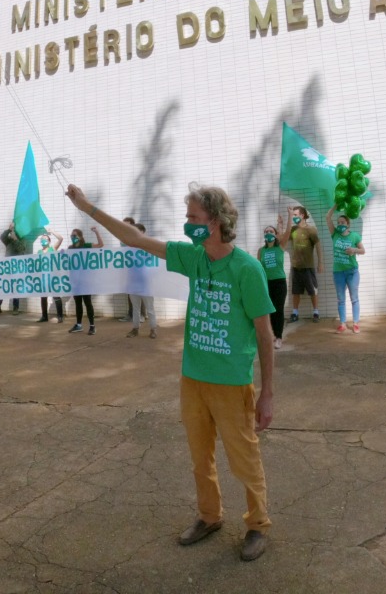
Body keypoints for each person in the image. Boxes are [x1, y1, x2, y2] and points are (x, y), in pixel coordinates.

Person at [65, 182, 274, 562]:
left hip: (231, 383)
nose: (187, 223)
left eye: (193, 217)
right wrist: (88, 207)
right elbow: (135, 238)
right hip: (193, 378)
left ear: (214, 222)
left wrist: (269, 392)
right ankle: (209, 517)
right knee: (200, 458)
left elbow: (264, 333)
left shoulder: (248, 269)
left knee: (244, 459)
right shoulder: (192, 256)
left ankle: (258, 525)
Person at [325, 206, 364, 334]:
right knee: (340, 299)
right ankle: (342, 324)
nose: (340, 224)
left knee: (354, 298)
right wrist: (336, 206)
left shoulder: (354, 236)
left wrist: (354, 250)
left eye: (343, 222)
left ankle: (356, 323)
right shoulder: (335, 234)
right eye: (339, 222)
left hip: (352, 272)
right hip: (338, 272)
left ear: (348, 224)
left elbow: (363, 250)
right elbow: (327, 217)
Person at [283, 205, 322, 323]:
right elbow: (283, 237)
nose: (294, 217)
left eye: (295, 215)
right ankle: (295, 313)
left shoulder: (311, 230)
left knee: (312, 291)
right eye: (292, 215)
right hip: (296, 267)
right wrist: (281, 224)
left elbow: (318, 246)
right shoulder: (293, 230)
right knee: (296, 292)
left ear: (302, 215)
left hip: (308, 267)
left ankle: (316, 312)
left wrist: (320, 262)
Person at [257, 224, 288, 348]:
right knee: (269, 310)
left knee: (278, 310)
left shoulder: (280, 247)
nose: (268, 233)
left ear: (275, 235)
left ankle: (279, 337)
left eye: (271, 231)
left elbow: (287, 232)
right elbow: (259, 268)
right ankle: (272, 336)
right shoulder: (261, 251)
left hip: (279, 282)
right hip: (267, 283)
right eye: (266, 231)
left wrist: (290, 216)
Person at [67, 227, 101, 334]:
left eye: (75, 236)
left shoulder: (86, 246)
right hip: (75, 281)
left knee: (87, 302)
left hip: (85, 280)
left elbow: (100, 245)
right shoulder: (70, 248)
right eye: (71, 236)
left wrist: (97, 232)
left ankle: (92, 326)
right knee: (78, 303)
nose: (73, 237)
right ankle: (79, 325)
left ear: (80, 237)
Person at [127, 222, 158, 339]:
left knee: (150, 308)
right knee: (135, 308)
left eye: (137, 231)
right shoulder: (130, 247)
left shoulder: (149, 246)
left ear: (142, 232)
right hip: (133, 282)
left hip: (146, 283)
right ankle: (135, 329)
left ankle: (153, 329)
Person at [0, 223, 27, 314]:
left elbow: (21, 249)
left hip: (16, 268)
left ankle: (16, 307)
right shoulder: (8, 241)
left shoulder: (22, 239)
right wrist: (9, 229)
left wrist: (15, 239)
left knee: (16, 288)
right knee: (3, 286)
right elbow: (2, 237)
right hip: (7, 267)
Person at [35, 231, 65, 322]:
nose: (43, 240)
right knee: (43, 297)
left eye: (45, 239)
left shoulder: (53, 249)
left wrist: (51, 231)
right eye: (42, 239)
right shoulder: (39, 252)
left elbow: (60, 238)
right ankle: (44, 316)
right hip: (43, 278)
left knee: (56, 296)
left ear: (49, 241)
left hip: (53, 277)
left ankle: (60, 316)